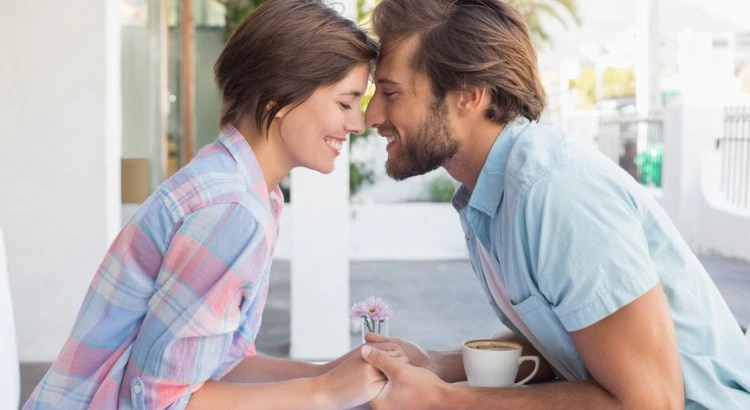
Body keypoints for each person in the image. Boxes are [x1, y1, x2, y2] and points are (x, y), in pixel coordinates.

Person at [359, 0, 750, 408]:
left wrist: (443, 400)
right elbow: (572, 341)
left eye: (390, 92)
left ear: (468, 97)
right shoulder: (489, 197)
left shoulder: (556, 193)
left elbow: (650, 403)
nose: (371, 116)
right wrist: (438, 365)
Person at [24, 1, 397, 409]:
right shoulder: (232, 208)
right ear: (278, 98)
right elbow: (158, 400)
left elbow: (218, 365)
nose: (358, 124)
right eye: (345, 103)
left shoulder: (247, 190)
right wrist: (325, 392)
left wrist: (328, 371)